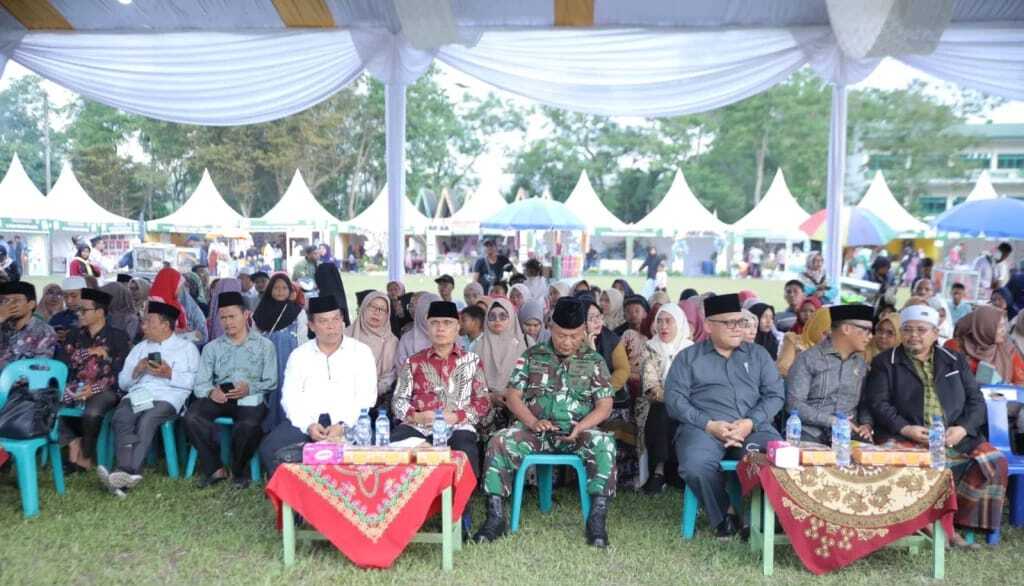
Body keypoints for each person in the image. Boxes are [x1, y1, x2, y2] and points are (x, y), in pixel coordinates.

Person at [474, 298, 617, 547]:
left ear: (584, 331)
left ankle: (597, 520)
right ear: (550, 327)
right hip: (535, 432)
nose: (567, 342)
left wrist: (581, 426)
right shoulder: (532, 355)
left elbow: (605, 406)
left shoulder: (594, 361)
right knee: (499, 441)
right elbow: (512, 396)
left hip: (578, 433)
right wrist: (532, 421)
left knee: (605, 443)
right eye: (561, 335)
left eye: (574, 336)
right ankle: (495, 517)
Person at [866, 304, 1008, 546]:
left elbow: (976, 401)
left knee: (994, 461)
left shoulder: (954, 360)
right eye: (908, 329)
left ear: (935, 333)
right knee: (903, 465)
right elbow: (878, 403)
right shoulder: (885, 362)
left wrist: (962, 428)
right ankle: (936, 526)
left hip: (954, 436)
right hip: (907, 435)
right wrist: (905, 428)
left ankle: (960, 521)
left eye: (921, 330)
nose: (914, 335)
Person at [667, 293, 785, 539]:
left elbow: (775, 395)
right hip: (703, 429)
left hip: (754, 427)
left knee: (777, 459)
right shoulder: (688, 358)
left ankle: (766, 520)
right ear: (709, 326)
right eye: (729, 323)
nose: (737, 328)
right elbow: (675, 401)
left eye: (740, 322)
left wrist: (750, 422)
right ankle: (727, 514)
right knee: (695, 465)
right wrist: (709, 425)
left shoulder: (758, 355)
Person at [257, 296, 377, 475]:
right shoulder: (299, 355)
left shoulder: (361, 352)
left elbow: (367, 397)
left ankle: (345, 490)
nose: (331, 326)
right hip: (308, 422)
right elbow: (290, 398)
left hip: (350, 422)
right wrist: (309, 425)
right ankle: (300, 490)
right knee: (270, 448)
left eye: (336, 319)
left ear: (342, 320)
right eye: (323, 321)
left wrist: (343, 425)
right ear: (311, 326)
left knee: (374, 452)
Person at [102, 301, 200, 497]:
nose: (143, 326)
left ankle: (127, 473)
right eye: (143, 322)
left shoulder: (187, 348)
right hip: (139, 394)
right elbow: (123, 383)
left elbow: (194, 383)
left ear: (165, 325)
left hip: (169, 396)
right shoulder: (139, 348)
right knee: (122, 416)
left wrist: (169, 373)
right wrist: (137, 370)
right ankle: (125, 470)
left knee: (148, 419)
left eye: (148, 322)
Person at [184, 292, 277, 488]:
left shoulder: (265, 346)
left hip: (251, 397)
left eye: (232, 316)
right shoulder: (212, 348)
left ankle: (239, 470)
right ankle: (215, 467)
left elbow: (271, 382)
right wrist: (212, 392)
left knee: (248, 425)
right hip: (221, 397)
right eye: (223, 318)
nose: (227, 322)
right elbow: (201, 384)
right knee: (192, 416)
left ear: (246, 315)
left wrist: (249, 388)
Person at [391, 301, 490, 481]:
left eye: (447, 323)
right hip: (419, 426)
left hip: (457, 425)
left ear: (457, 327)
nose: (440, 328)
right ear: (428, 328)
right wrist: (417, 416)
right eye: (434, 323)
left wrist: (456, 417)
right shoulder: (413, 362)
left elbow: (482, 402)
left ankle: (459, 499)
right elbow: (398, 401)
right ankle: (409, 495)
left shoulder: (472, 361)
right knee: (395, 443)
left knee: (464, 449)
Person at [786, 305, 875, 444]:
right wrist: (831, 421)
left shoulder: (860, 364)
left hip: (849, 433)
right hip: (810, 432)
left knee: (871, 455)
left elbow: (865, 403)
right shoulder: (808, 359)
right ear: (846, 329)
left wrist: (866, 424)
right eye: (866, 330)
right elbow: (794, 404)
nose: (870, 336)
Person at [638, 304, 692, 495]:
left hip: (687, 404)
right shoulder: (649, 348)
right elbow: (651, 386)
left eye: (669, 321)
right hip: (656, 404)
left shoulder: (691, 350)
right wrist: (676, 400)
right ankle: (659, 471)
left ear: (679, 323)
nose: (663, 326)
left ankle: (677, 470)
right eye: (659, 321)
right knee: (661, 411)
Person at [252, 273, 307, 432]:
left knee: (287, 388)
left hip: (289, 358)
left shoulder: (297, 311)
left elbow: (302, 337)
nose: (280, 291)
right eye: (276, 288)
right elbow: (255, 336)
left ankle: (286, 426)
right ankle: (268, 427)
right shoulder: (260, 311)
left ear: (290, 290)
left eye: (284, 288)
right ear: (270, 290)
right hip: (267, 358)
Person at [944, 305, 1024, 385]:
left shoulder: (1008, 350)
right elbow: (945, 376)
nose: (1004, 330)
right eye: (1000, 327)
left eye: (1004, 325)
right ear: (984, 327)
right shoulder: (955, 346)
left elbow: (1021, 382)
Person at [346, 291, 399, 400]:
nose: (376, 313)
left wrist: (373, 391)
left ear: (387, 315)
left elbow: (392, 374)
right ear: (363, 308)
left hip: (378, 397)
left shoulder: (392, 342)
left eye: (382, 309)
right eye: (372, 307)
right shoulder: (345, 335)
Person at [0, 281, 57, 370]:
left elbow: (40, 368)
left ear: (31, 304)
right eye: (5, 301)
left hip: (26, 378)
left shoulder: (44, 331)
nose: (9, 305)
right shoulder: (3, 325)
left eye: (16, 300)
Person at [150, 267, 208, 346]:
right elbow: (156, 332)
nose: (182, 289)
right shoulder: (156, 304)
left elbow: (202, 333)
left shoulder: (177, 302)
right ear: (170, 284)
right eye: (179, 285)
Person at [777, 305, 831, 378]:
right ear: (815, 328)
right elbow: (783, 369)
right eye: (824, 333)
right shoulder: (793, 340)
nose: (827, 339)